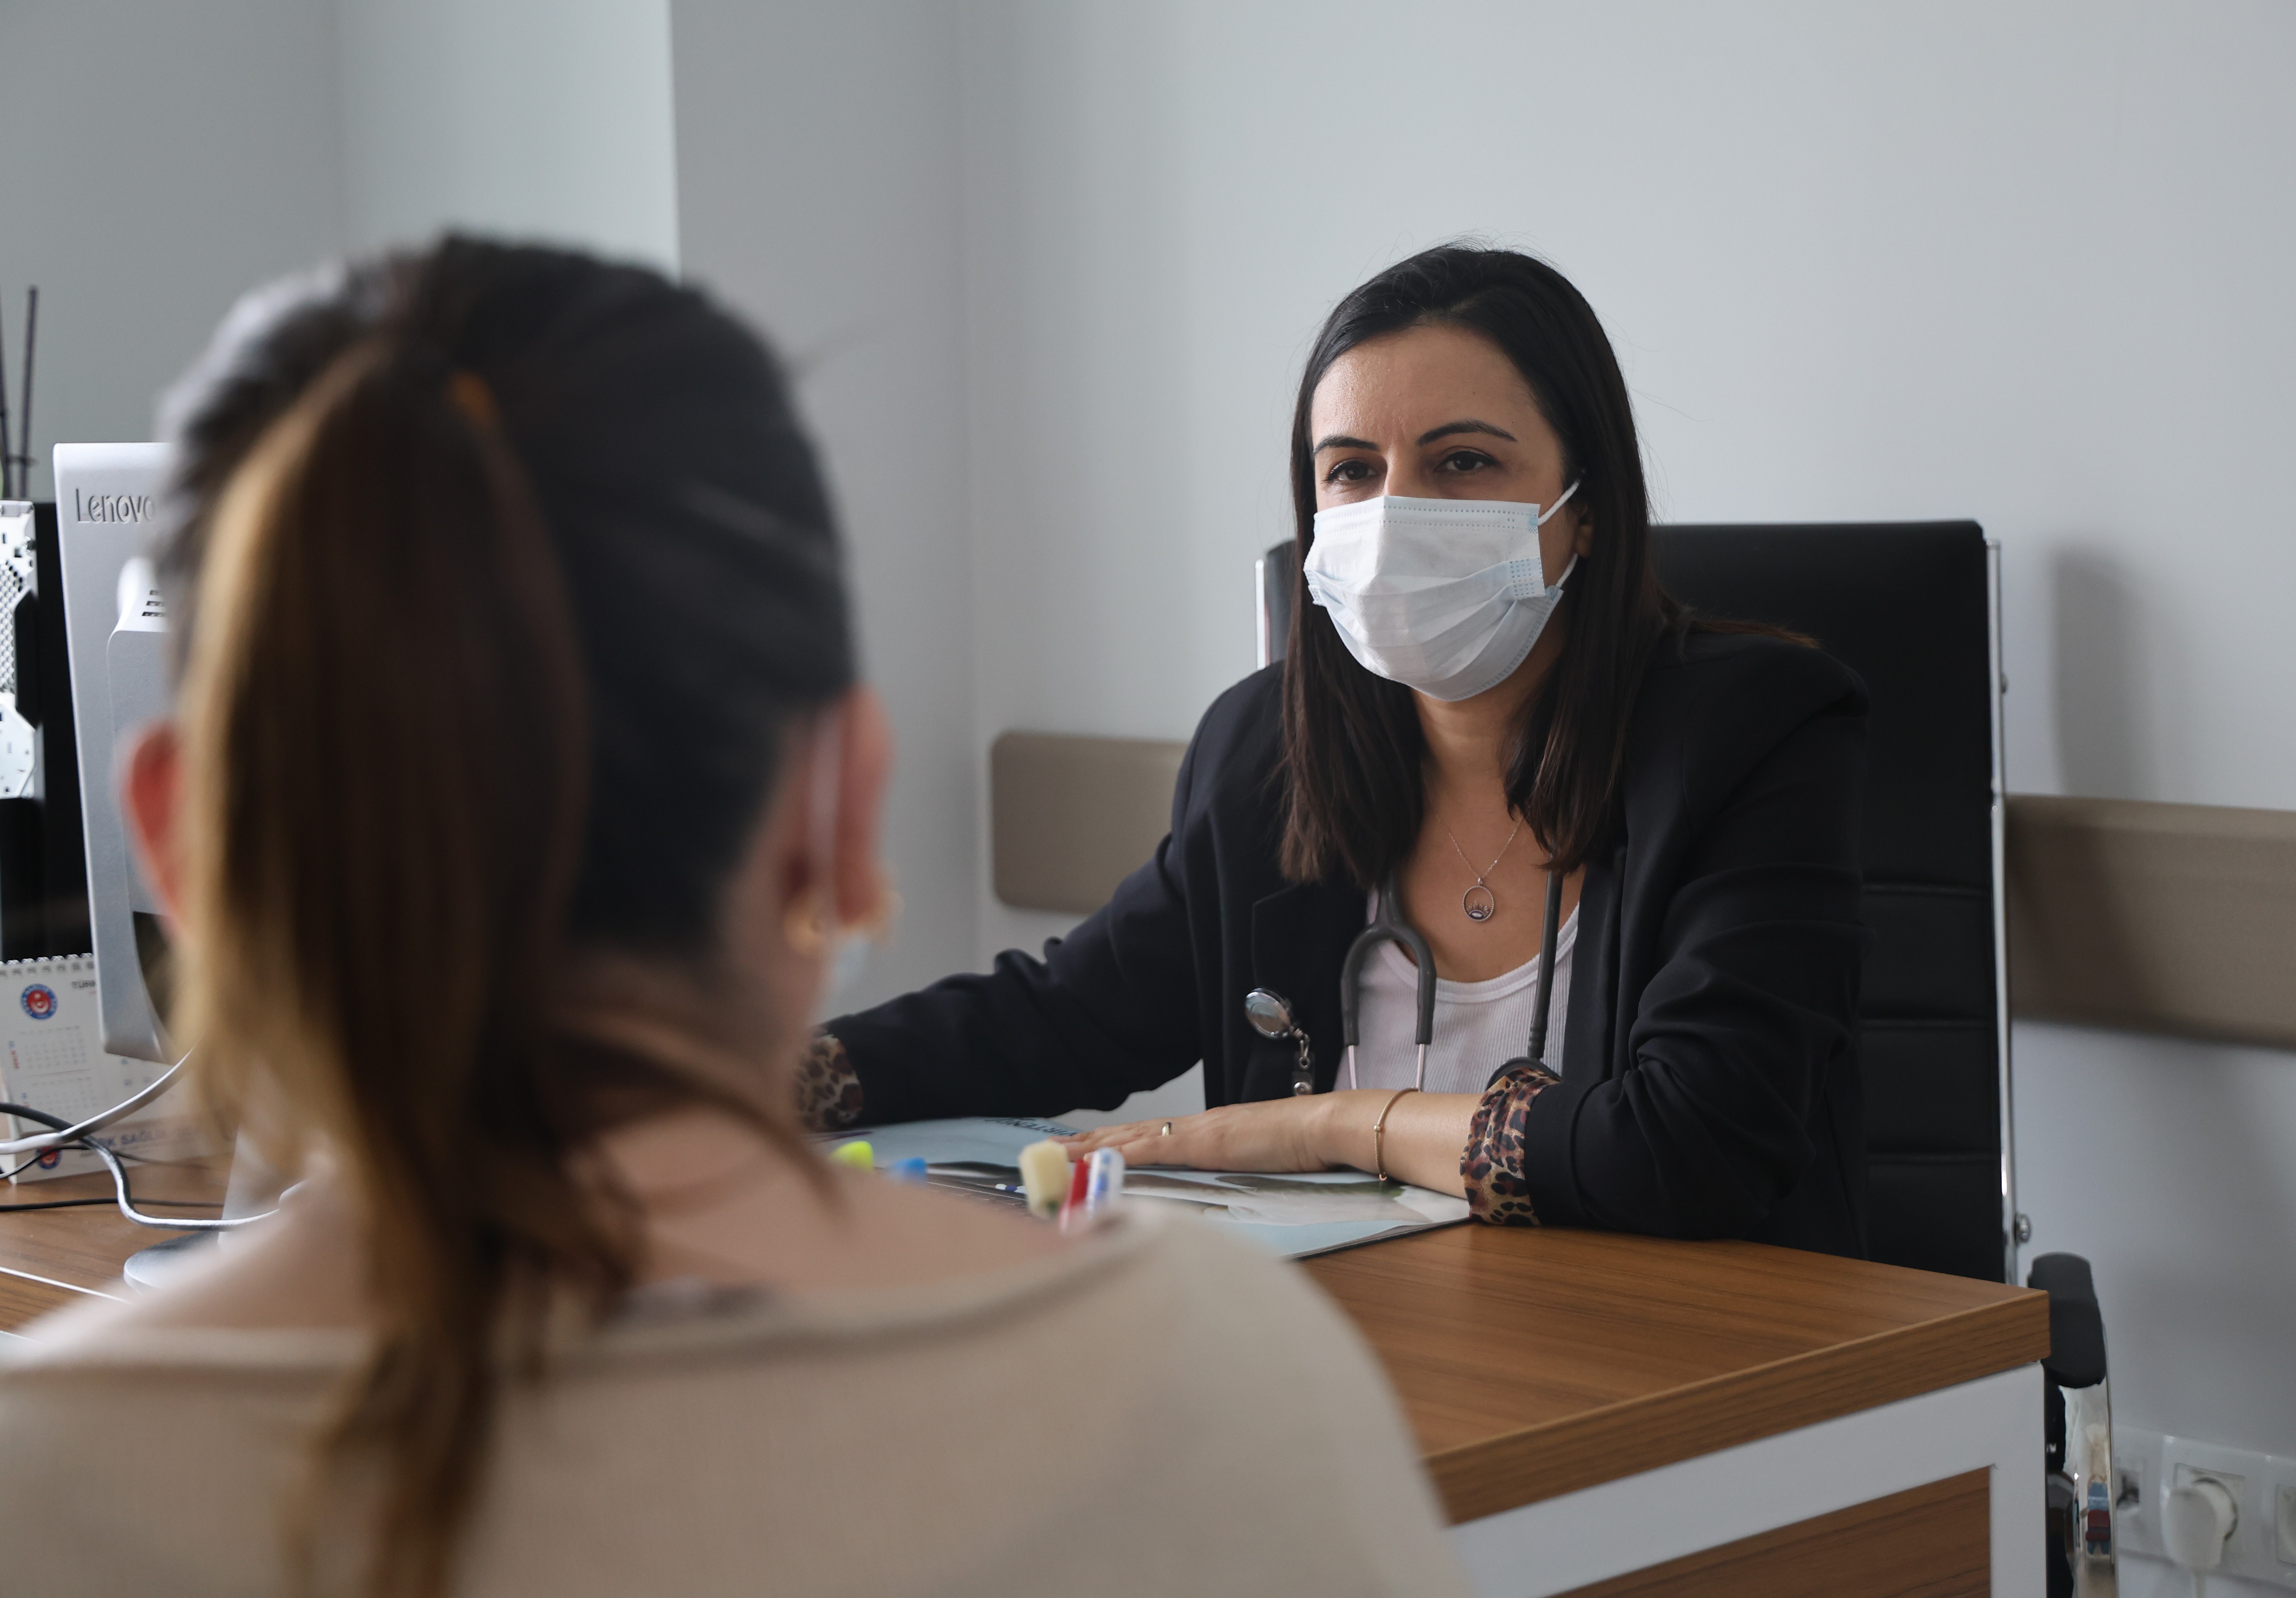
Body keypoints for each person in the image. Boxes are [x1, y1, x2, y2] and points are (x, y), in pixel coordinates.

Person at [0, 240, 1469, 1598]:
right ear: (843, 817)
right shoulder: (1222, 1395)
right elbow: (1074, 1009)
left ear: (180, 848)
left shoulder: (45, 1491)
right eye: (1353, 470)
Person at [818, 244, 1871, 1256]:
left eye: (1463, 462)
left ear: (1585, 507)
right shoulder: (1265, 749)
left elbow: (1692, 1142)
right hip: (1358, 1340)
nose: (1396, 512)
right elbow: (1062, 1017)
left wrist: (1328, 1125)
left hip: (1684, 1348)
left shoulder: (1751, 734)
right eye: (1354, 471)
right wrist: (778, 1080)